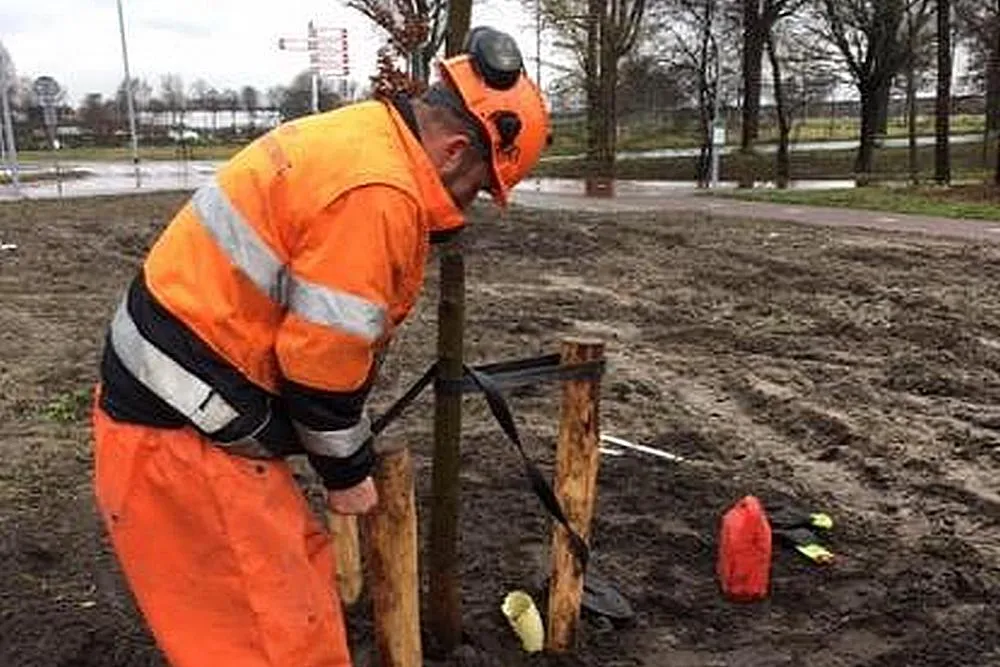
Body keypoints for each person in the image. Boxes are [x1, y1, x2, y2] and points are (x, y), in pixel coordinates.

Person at [91, 27, 549, 667]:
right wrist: (347, 473)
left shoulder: (365, 134)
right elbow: (321, 358)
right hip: (177, 434)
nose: (467, 209)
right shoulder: (379, 193)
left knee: (288, 586)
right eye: (478, 187)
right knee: (278, 640)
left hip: (184, 407)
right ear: (451, 153)